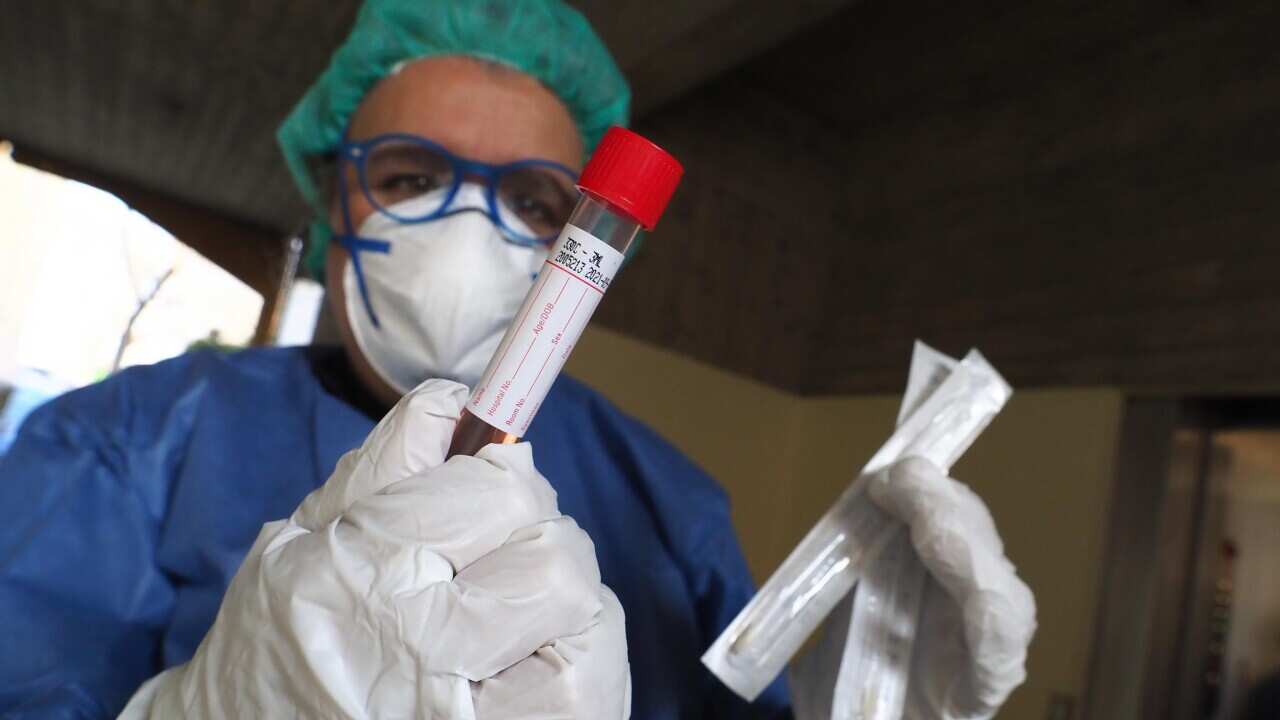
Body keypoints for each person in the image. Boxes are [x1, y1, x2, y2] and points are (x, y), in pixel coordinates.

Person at [0, 1, 1035, 718]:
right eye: (409, 177)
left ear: (579, 235)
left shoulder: (667, 507)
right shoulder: (123, 443)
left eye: (534, 202)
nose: (463, 233)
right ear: (331, 200)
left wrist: (864, 698)